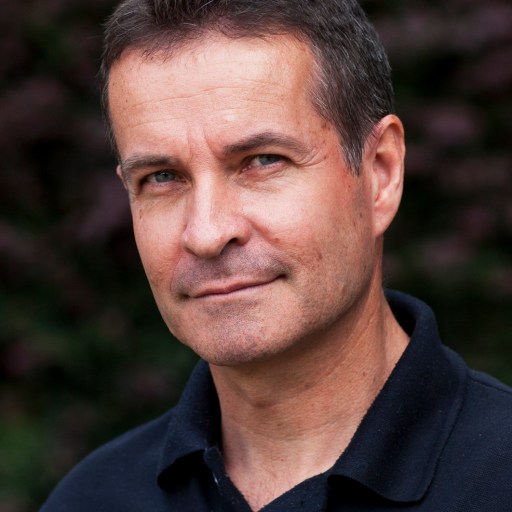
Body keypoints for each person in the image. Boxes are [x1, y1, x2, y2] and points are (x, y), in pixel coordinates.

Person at [40, 0, 512, 510]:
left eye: (262, 161)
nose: (207, 232)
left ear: (380, 173)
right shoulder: (93, 497)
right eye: (162, 177)